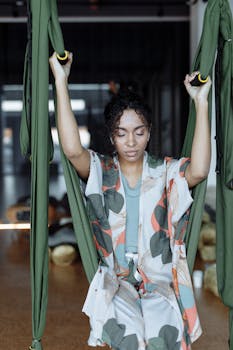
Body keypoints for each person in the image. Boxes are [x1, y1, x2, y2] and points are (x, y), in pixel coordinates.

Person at [49, 51, 212, 350]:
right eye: (122, 134)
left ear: (149, 132)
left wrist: (201, 103)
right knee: (128, 337)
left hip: (162, 280)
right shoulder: (102, 171)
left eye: (139, 132)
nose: (131, 142)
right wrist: (61, 80)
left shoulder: (166, 171)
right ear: (111, 137)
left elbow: (200, 170)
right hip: (117, 279)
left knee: (165, 334)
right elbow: (73, 151)